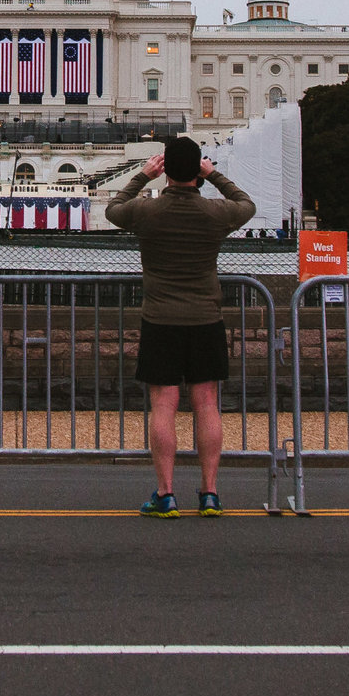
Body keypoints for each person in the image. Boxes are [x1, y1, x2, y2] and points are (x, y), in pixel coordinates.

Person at [106, 136, 257, 518]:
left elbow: (113, 209)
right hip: (206, 318)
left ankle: (166, 493)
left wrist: (142, 175)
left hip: (160, 319)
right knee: (206, 404)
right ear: (198, 172)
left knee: (164, 405)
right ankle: (209, 492)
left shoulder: (148, 213)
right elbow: (247, 205)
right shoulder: (213, 213)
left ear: (166, 171)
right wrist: (216, 174)